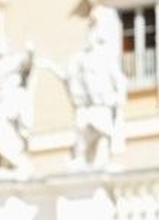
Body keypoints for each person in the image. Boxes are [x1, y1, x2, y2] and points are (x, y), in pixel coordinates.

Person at [57, 1, 127, 170]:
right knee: (83, 130)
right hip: (89, 105)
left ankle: (99, 162)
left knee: (102, 133)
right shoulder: (84, 59)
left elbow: (119, 80)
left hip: (102, 103)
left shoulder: (106, 57)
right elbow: (72, 78)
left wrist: (118, 97)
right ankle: (82, 159)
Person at [0, 29, 36, 178]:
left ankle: (16, 161)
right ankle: (5, 163)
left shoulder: (15, 60)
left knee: (4, 129)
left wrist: (30, 51)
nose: (0, 47)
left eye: (2, 44)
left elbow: (27, 64)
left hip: (10, 99)